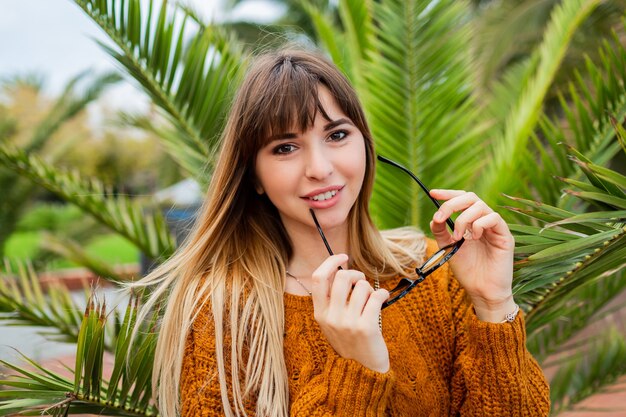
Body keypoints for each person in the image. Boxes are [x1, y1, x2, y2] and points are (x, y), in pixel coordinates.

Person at [133, 47, 550, 417]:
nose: (319, 168)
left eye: (336, 135)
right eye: (285, 147)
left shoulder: (436, 272)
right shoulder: (222, 311)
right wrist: (355, 369)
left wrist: (493, 304)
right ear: (254, 175)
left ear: (366, 147)